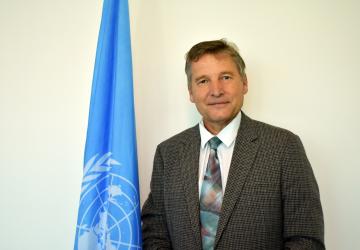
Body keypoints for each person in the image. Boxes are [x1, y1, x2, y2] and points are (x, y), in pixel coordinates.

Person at [142, 39, 324, 250]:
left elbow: (306, 240)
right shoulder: (168, 153)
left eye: (225, 77)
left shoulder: (284, 147)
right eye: (203, 81)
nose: (216, 90)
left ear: (244, 83)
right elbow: (155, 232)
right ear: (191, 92)